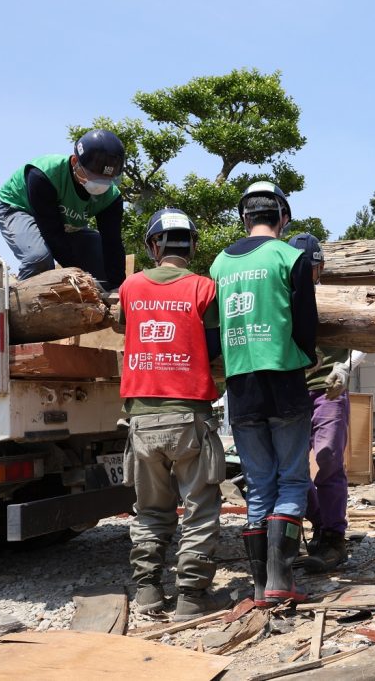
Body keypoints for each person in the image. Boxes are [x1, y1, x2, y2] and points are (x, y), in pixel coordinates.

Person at [210, 181, 318, 605]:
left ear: (244, 218)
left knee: (258, 484)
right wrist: (304, 356)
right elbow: (306, 320)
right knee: (292, 478)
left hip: (241, 384)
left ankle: (259, 585)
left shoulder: (218, 264)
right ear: (283, 218)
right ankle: (281, 580)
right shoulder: (291, 256)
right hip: (285, 377)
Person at [119, 208, 226, 621]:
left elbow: (126, 327)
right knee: (199, 508)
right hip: (189, 415)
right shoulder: (204, 288)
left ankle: (147, 591)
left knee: (149, 510)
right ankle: (192, 598)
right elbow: (214, 346)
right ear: (193, 246)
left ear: (152, 246)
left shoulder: (131, 287)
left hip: (142, 417)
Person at [287, 233, 366, 573]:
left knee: (329, 457)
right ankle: (319, 522)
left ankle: (334, 534)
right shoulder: (279, 301)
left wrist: (345, 367)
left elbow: (362, 337)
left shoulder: (332, 300)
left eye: (312, 269)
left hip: (327, 391)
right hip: (290, 392)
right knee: (291, 470)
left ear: (320, 270)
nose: (307, 275)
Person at [0, 129, 127, 290]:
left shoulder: (111, 198)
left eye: (107, 179)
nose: (101, 185)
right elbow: (53, 235)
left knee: (102, 264)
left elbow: (112, 243)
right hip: (18, 208)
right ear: (74, 163)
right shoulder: (44, 174)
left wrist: (117, 287)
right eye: (94, 176)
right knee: (39, 259)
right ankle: (17, 305)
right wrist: (82, 278)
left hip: (64, 224)